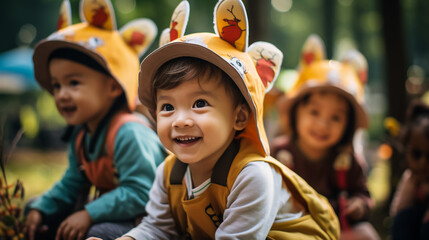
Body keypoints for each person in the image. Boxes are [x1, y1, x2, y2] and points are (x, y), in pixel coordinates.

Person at [88, 0, 340, 239]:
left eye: (199, 104)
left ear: (239, 117)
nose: (180, 120)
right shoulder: (168, 173)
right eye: (167, 106)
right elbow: (157, 229)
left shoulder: (252, 175)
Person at [23, 0, 165, 239]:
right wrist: (42, 208)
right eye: (56, 85)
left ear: (112, 86)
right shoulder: (82, 135)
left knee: (96, 231)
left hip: (150, 222)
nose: (61, 94)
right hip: (116, 212)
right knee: (37, 212)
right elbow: (71, 184)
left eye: (74, 83)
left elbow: (142, 193)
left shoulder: (129, 133)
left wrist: (89, 213)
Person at [271, 34, 380, 240]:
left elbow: (362, 193)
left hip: (336, 227)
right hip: (291, 228)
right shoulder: (280, 152)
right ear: (296, 114)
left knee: (366, 234)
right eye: (314, 112)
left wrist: (359, 204)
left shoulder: (348, 161)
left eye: (336, 117)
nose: (323, 124)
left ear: (348, 126)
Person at [390, 100, 429, 240]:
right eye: (416, 154)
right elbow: (398, 211)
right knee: (403, 219)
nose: (423, 162)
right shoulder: (411, 179)